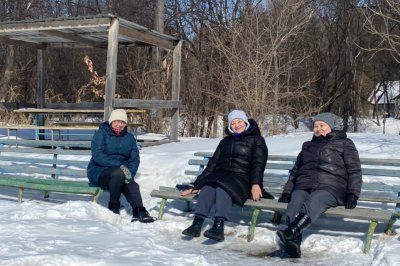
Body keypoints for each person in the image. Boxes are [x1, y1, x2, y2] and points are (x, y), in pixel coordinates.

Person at [276, 112, 362, 258]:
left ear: (332, 127)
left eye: (322, 125)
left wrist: (353, 193)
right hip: (305, 183)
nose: (318, 129)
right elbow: (296, 171)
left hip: (331, 186)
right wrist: (287, 191)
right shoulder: (308, 145)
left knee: (315, 199)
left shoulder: (344, 143)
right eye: (316, 126)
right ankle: (292, 242)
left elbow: (354, 170)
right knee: (295, 200)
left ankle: (290, 232)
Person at [180, 110, 272, 241]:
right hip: (221, 175)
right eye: (233, 123)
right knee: (208, 186)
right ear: (230, 126)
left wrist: (256, 184)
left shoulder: (257, 140)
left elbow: (258, 163)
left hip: (242, 178)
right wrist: (196, 185)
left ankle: (218, 226)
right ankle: (197, 224)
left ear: (245, 122)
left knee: (223, 187)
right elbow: (212, 165)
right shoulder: (225, 142)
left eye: (239, 121)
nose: (237, 125)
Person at [87, 109, 156, 223]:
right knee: (118, 174)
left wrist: (130, 173)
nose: (119, 125)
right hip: (99, 171)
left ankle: (139, 211)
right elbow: (98, 156)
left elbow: (134, 159)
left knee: (131, 183)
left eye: (122, 122)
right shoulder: (101, 134)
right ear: (111, 122)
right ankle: (113, 206)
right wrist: (121, 166)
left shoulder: (129, 138)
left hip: (122, 172)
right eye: (116, 121)